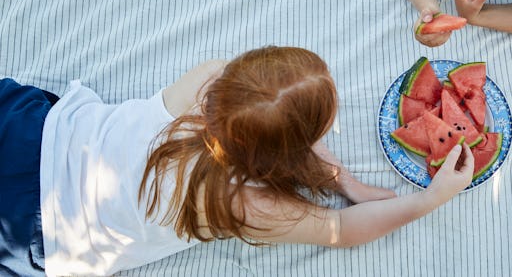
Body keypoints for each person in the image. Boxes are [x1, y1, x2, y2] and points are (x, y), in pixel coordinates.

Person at [0, 46, 474, 276]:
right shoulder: (240, 204)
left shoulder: (211, 80)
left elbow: (265, 118)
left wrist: (344, 180)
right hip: (33, 226)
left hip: (33, 130)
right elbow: (342, 231)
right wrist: (431, 199)